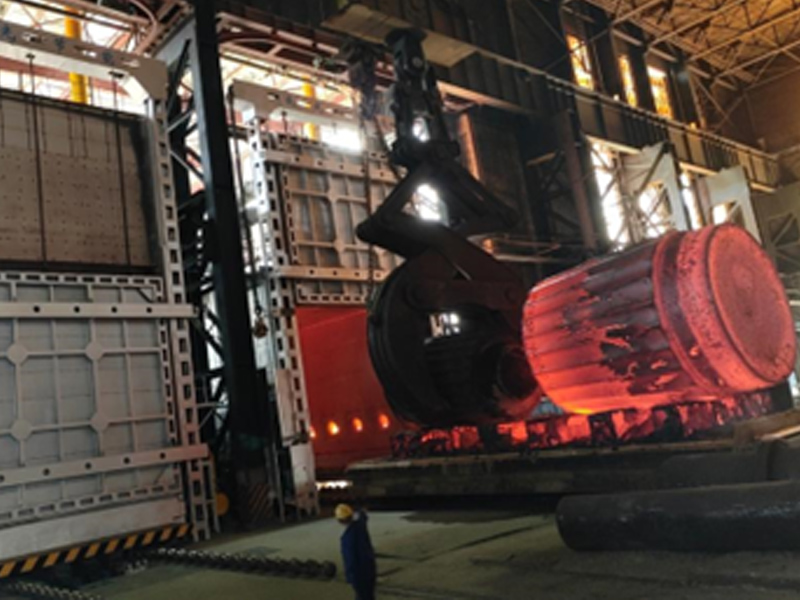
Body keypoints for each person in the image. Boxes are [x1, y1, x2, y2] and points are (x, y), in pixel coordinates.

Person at [336, 503, 377, 600]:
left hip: (359, 575)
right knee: (369, 596)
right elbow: (363, 518)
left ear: (340, 521)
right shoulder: (360, 526)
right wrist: (361, 511)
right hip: (370, 569)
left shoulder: (347, 538)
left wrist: (350, 577)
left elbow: (350, 560)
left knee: (362, 597)